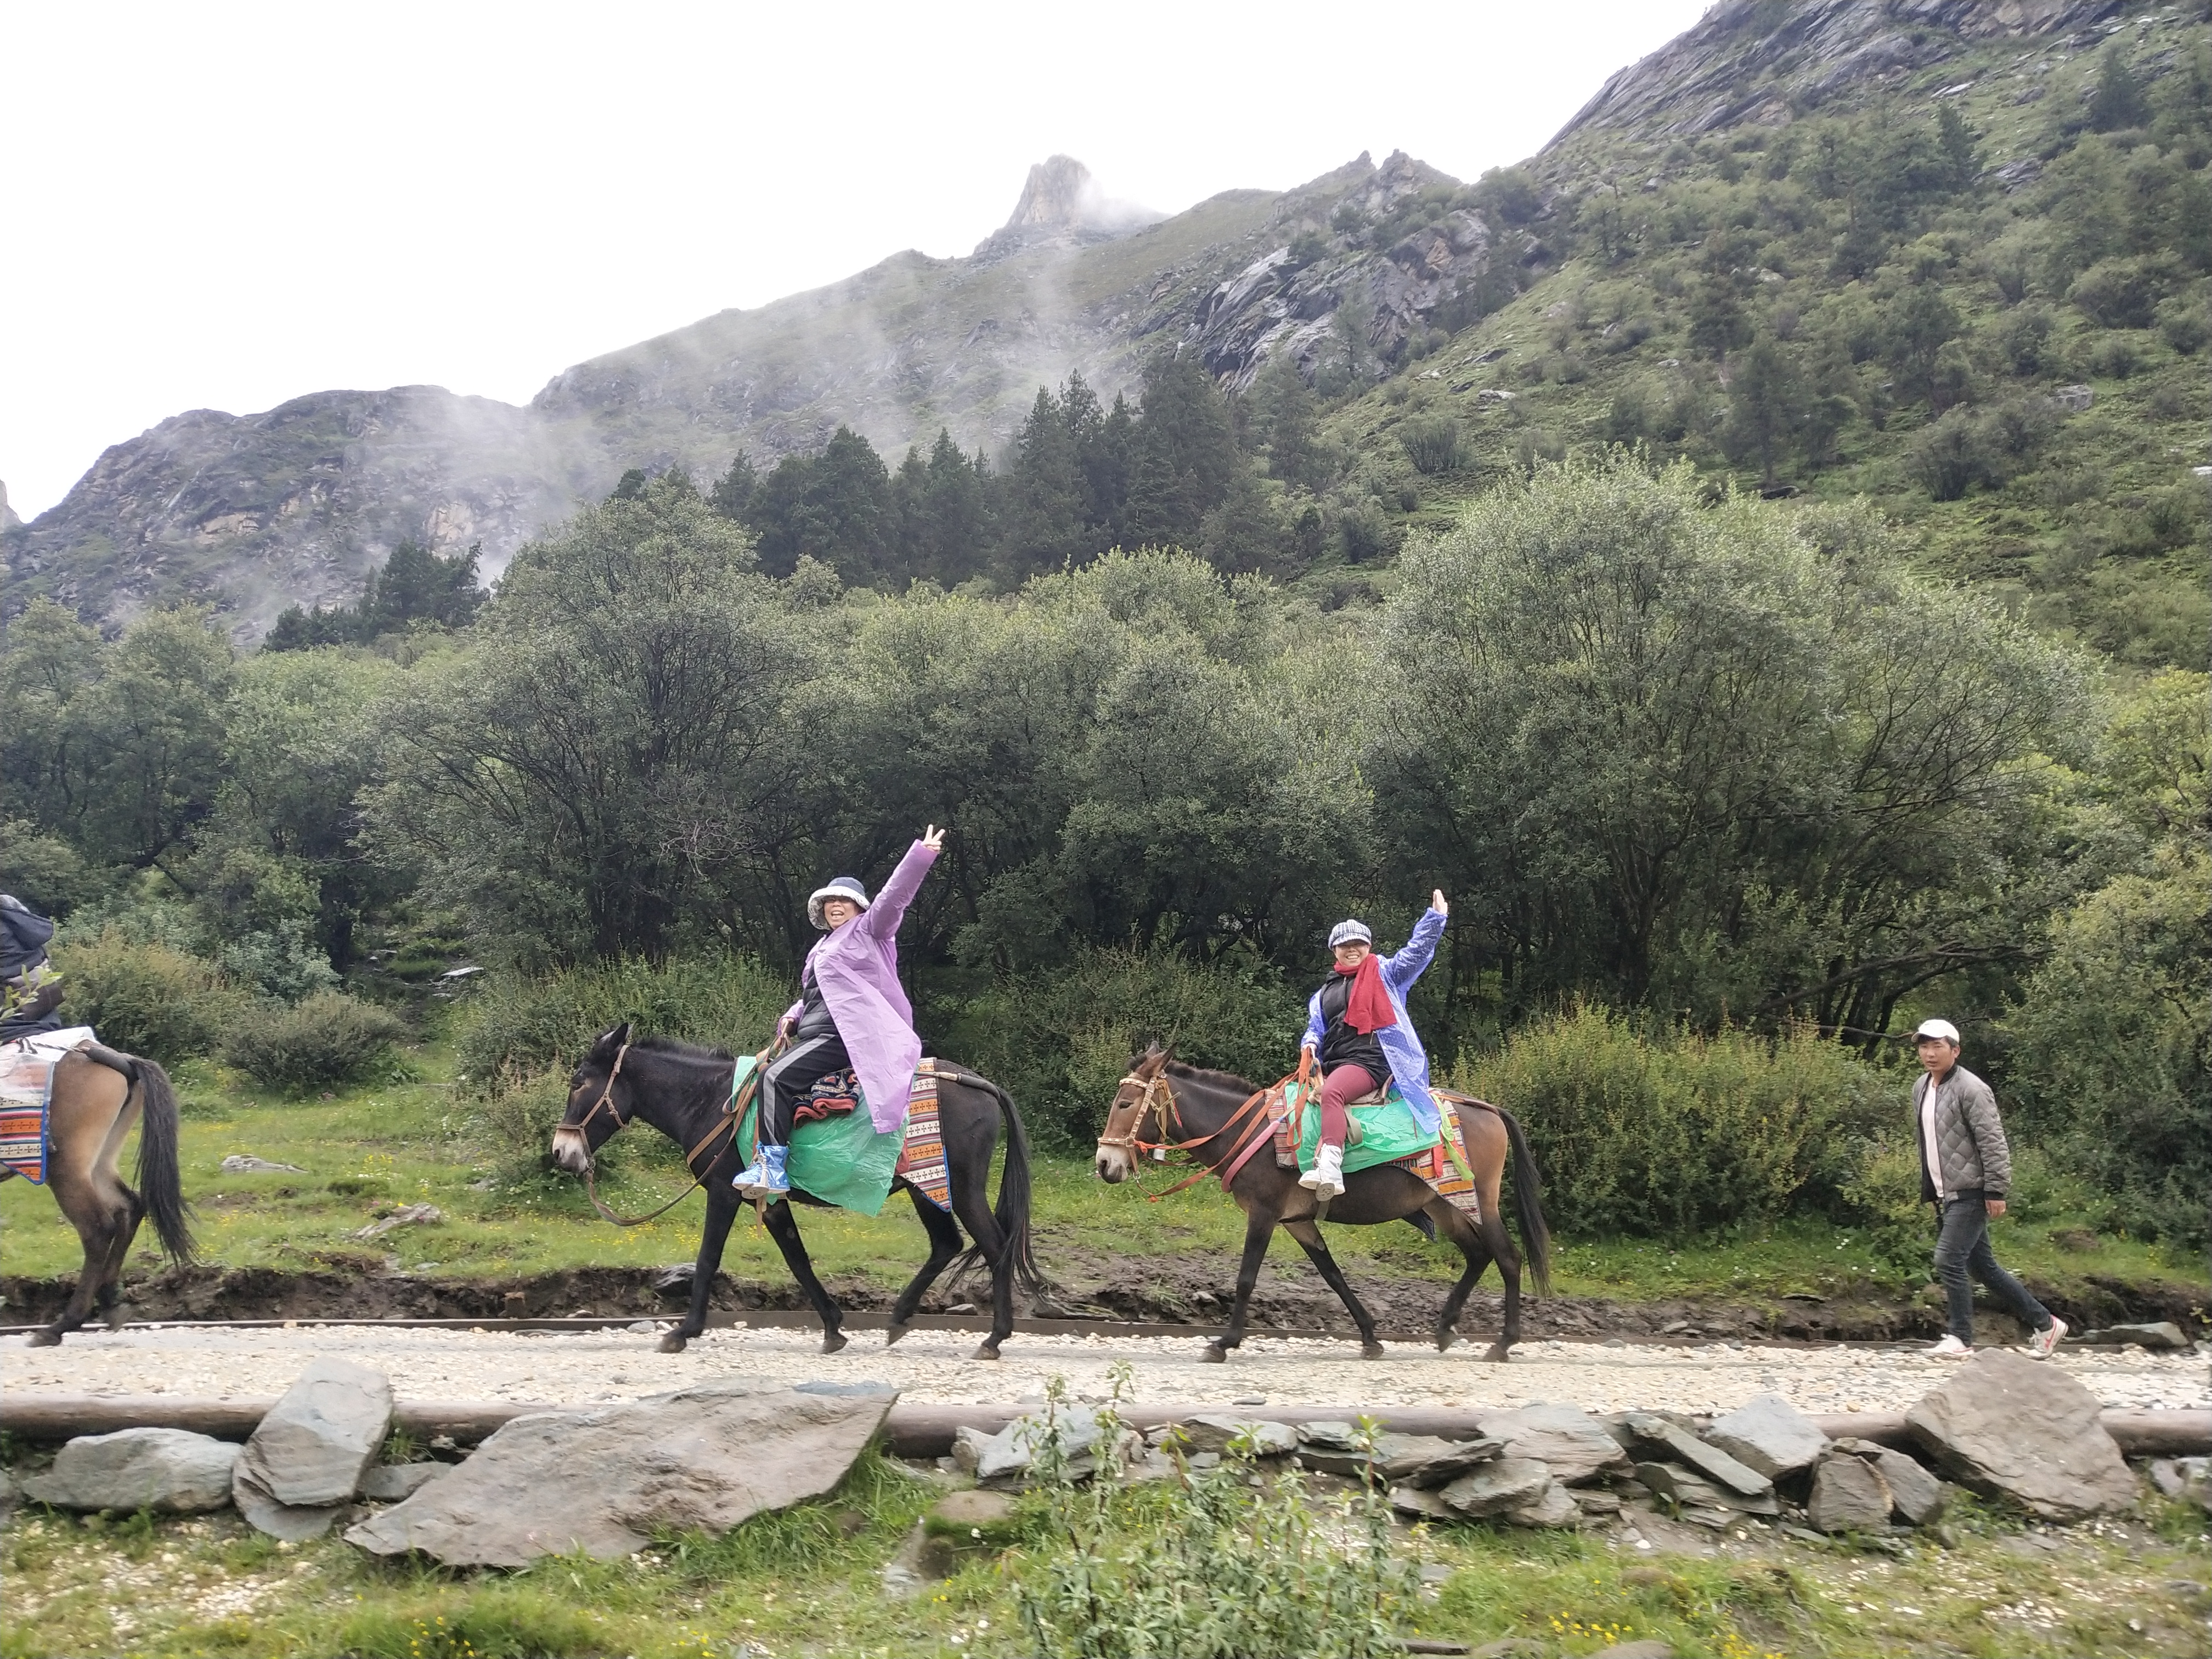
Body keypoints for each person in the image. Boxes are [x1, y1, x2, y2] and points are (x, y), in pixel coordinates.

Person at [730, 825, 946, 1199]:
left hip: (844, 1036)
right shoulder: (822, 948)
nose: (834, 905)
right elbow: (815, 994)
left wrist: (920, 856)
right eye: (829, 901)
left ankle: (772, 1167)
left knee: (773, 1078)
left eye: (843, 900)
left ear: (859, 906)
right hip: (817, 1034)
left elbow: (894, 898)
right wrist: (792, 1015)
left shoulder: (871, 931)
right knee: (767, 1074)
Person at [1911, 1017, 2067, 1359]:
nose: (1930, 1053)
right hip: (1946, 1192)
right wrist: (1932, 1189)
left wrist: (1996, 1190)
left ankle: (1960, 1338)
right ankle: (2046, 1324)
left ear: (1955, 1050)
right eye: (1924, 1046)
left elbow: (1993, 1141)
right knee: (1982, 1268)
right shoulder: (1921, 1087)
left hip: (1972, 1190)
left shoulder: (1972, 1089)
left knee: (1948, 1259)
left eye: (1938, 1046)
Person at [1296, 891, 1449, 1200]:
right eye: (1345, 945)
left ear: (1369, 947)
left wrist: (1434, 920)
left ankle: (1331, 1167)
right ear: (1334, 950)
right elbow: (1316, 1028)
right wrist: (1310, 1045)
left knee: (1332, 1093)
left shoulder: (1387, 974)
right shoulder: (1323, 993)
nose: (1352, 949)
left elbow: (1416, 953)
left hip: (1370, 1060)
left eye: (1359, 944)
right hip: (1334, 1062)